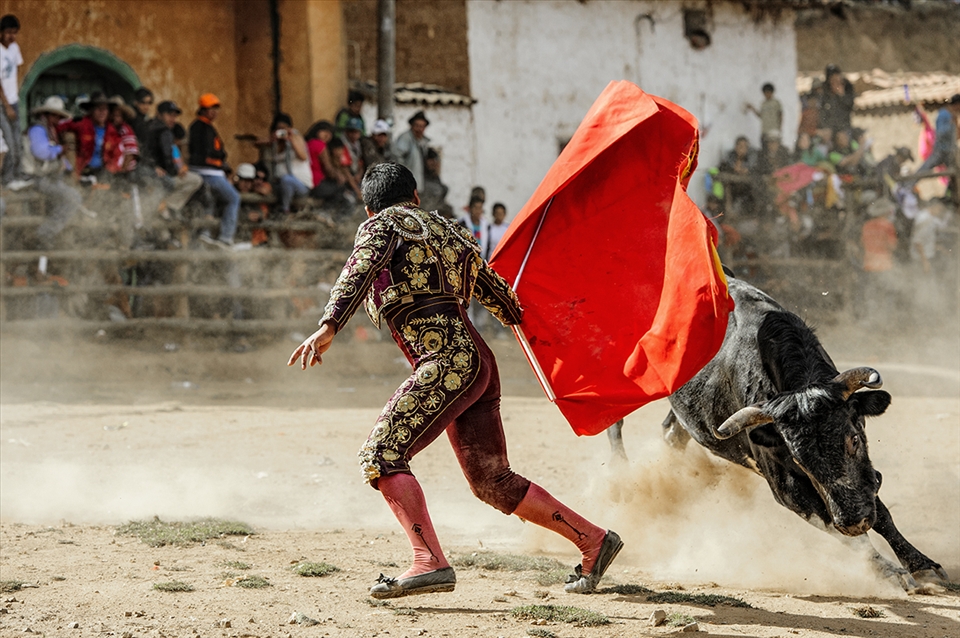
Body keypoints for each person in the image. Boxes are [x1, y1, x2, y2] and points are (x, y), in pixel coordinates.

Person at [288, 162, 622, 598]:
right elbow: (504, 299)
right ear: (416, 197)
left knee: (381, 454)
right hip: (479, 363)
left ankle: (428, 560)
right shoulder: (452, 232)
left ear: (369, 209)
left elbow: (360, 267)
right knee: (492, 480)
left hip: (445, 362)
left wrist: (329, 324)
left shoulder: (382, 225)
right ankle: (592, 539)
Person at [23, 96, 82, 248]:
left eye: (59, 116)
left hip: (46, 176)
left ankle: (50, 236)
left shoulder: (48, 131)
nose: (57, 119)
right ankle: (46, 233)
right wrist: (59, 149)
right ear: (47, 115)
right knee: (74, 197)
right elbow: (41, 152)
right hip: (35, 177)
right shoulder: (37, 129)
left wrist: (68, 168)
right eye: (55, 115)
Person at [188, 93, 240, 248]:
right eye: (212, 108)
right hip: (209, 172)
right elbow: (208, 153)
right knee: (233, 198)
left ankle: (205, 233)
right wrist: (221, 163)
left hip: (203, 171)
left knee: (209, 200)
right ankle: (226, 237)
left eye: (216, 108)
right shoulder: (202, 128)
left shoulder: (199, 126)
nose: (215, 112)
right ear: (203, 109)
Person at [144, 100, 203, 216]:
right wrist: (175, 171)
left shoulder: (147, 126)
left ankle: (164, 208)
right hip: (161, 176)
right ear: (159, 115)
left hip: (148, 172)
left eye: (174, 116)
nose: (173, 119)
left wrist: (152, 166)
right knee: (196, 180)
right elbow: (167, 156)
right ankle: (167, 204)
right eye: (169, 115)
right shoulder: (164, 131)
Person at [0, 14, 27, 188]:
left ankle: (17, 174)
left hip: (13, 101)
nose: (12, 36)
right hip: (3, 104)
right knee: (8, 140)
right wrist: (7, 105)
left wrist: (14, 96)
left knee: (18, 139)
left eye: (15, 33)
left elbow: (17, 68)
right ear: (1, 32)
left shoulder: (14, 48)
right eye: (9, 32)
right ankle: (7, 177)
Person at [268, 112, 313, 214]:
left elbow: (303, 156)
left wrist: (291, 139)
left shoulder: (296, 137)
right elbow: (258, 142)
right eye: (279, 129)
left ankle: (285, 211)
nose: (282, 132)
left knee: (286, 179)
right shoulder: (275, 143)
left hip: (301, 185)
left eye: (284, 128)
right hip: (280, 185)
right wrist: (273, 139)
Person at [59, 91, 111, 180]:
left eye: (105, 109)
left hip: (106, 171)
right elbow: (60, 127)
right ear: (91, 110)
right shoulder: (82, 123)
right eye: (98, 109)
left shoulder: (112, 129)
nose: (102, 112)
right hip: (85, 169)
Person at [914, 94, 960, 193]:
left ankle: (952, 195)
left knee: (955, 174)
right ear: (957, 105)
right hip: (941, 150)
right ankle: (906, 185)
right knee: (925, 169)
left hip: (951, 152)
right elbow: (940, 133)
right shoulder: (943, 114)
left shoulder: (953, 116)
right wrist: (951, 123)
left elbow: (956, 136)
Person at [394, 110, 430, 190]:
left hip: (416, 183)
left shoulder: (422, 141)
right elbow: (397, 158)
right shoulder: (405, 138)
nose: (419, 129)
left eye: (422, 126)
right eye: (417, 126)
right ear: (411, 126)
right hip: (405, 184)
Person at [818, 65, 855, 139]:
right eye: (833, 81)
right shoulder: (824, 93)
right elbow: (822, 112)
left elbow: (850, 106)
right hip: (828, 129)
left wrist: (842, 96)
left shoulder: (847, 89)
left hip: (844, 128)